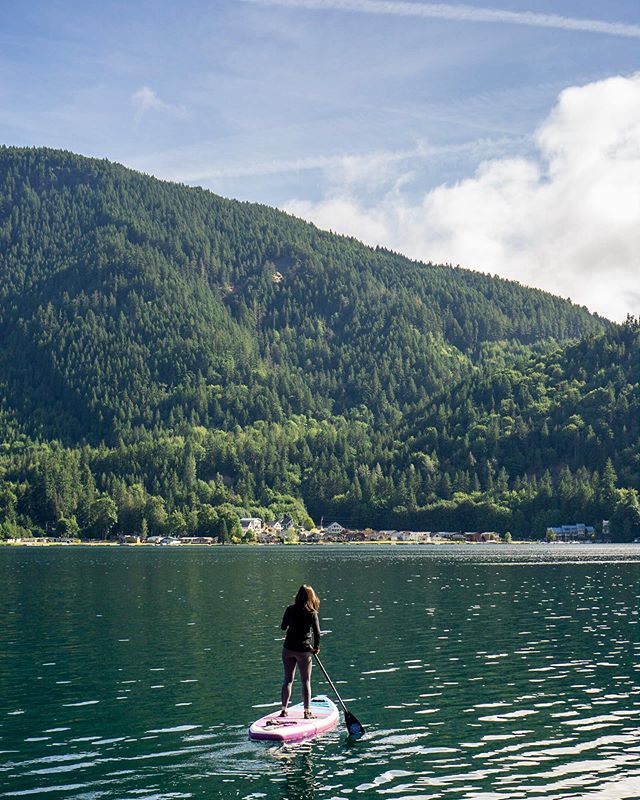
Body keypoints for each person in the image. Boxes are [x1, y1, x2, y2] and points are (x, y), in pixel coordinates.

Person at [280, 584, 321, 718]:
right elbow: (317, 633)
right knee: (306, 681)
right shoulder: (312, 613)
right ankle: (307, 711)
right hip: (304, 650)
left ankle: (284, 709)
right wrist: (316, 647)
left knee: (288, 680)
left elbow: (283, 627)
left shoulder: (290, 609)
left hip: (288, 649)